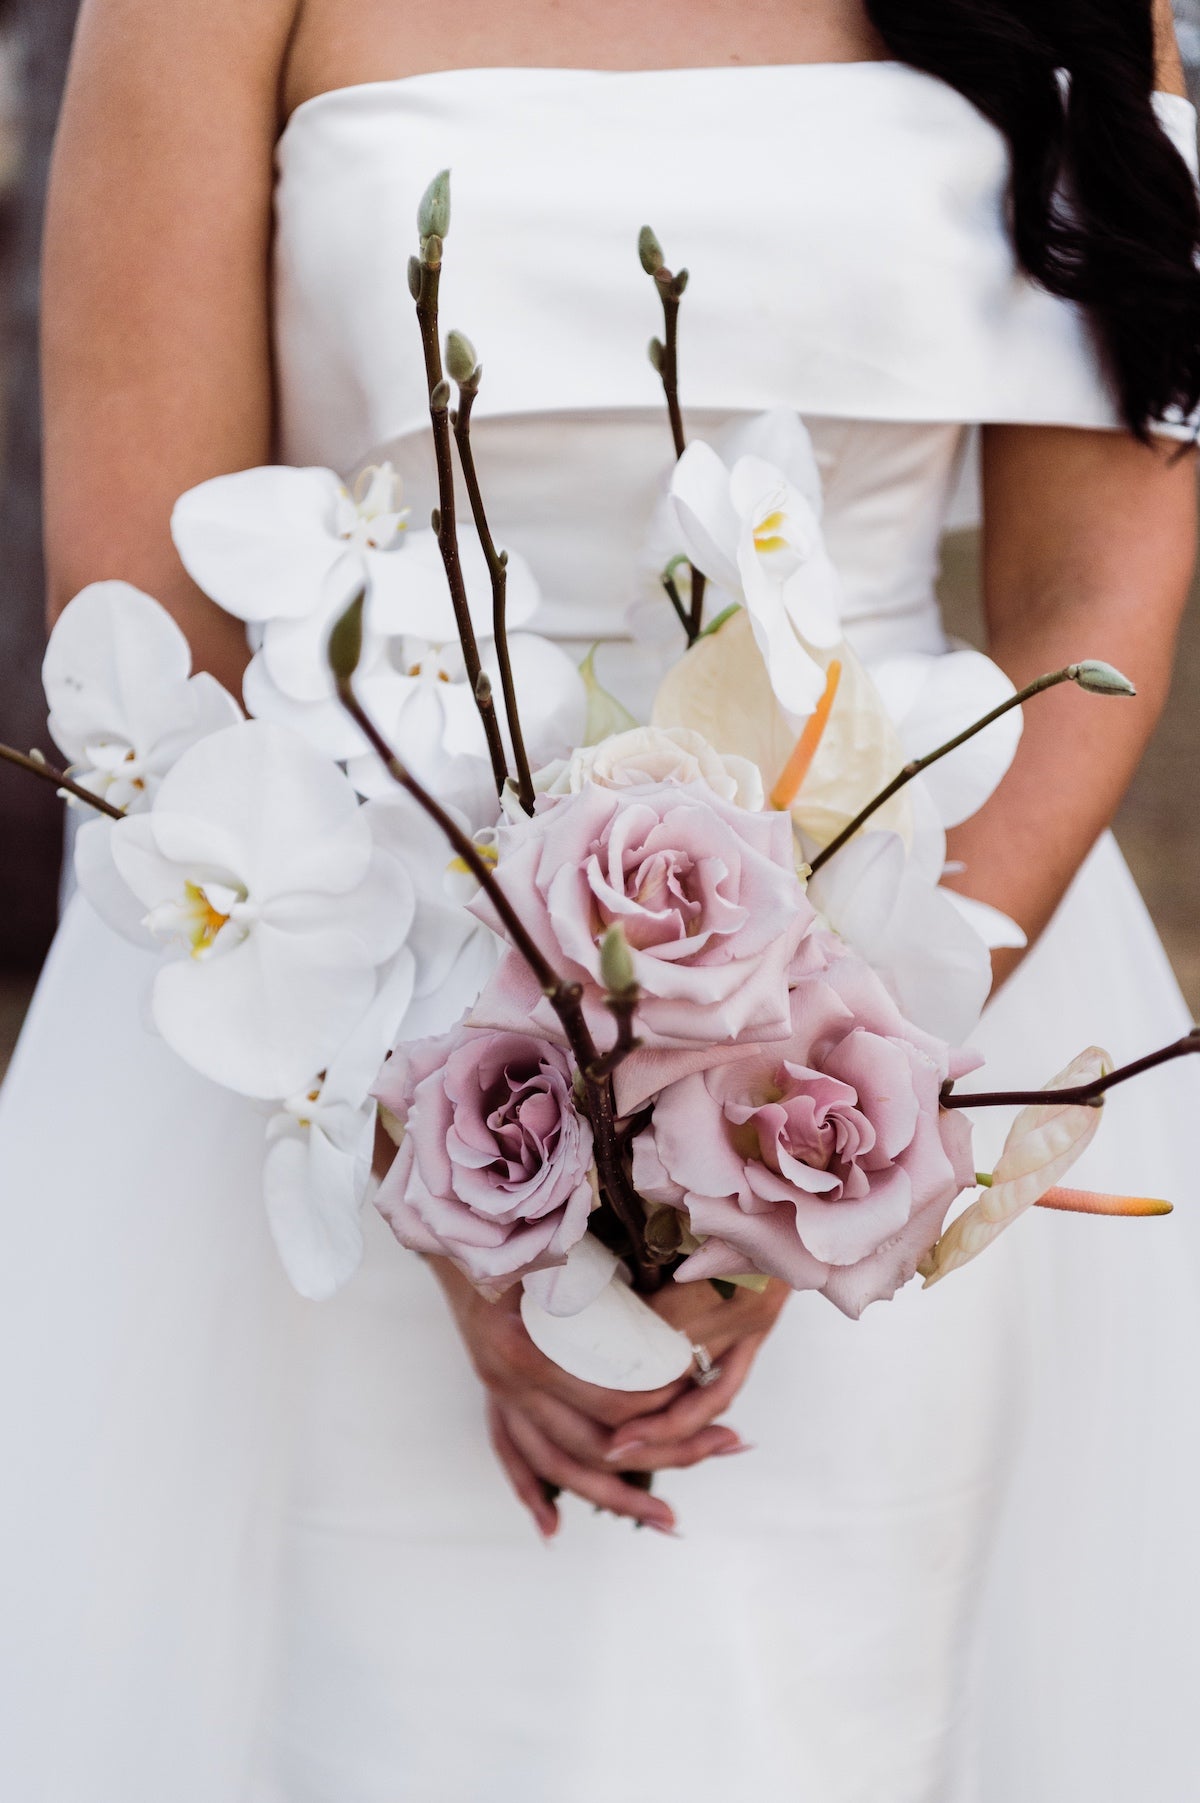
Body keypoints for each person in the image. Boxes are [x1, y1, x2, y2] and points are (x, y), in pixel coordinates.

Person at [2, 1, 1199, 1797]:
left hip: (921, 966)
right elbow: (148, 603)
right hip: (325, 1033)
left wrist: (834, 1103)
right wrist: (467, 1166)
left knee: (827, 1715)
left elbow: (1090, 571)